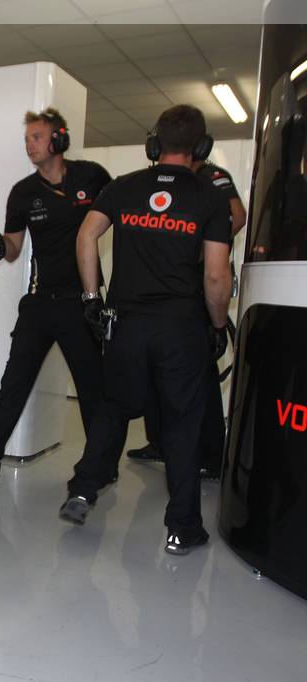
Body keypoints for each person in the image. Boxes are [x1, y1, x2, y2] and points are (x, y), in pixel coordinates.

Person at [59, 105, 232, 556]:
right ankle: (182, 529)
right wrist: (218, 325)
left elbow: (85, 236)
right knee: (181, 425)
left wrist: (91, 298)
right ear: (202, 148)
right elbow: (216, 277)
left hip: (126, 326)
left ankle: (83, 491)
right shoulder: (210, 196)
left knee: (113, 410)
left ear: (154, 144)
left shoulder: (124, 186)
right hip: (181, 330)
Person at [0, 108, 111, 484]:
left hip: (80, 303)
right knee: (15, 381)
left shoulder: (92, 176)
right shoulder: (23, 192)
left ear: (59, 139)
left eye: (36, 137)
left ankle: (100, 465)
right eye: (26, 139)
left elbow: (116, 219)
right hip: (39, 303)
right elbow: (11, 251)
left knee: (92, 387)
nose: (29, 145)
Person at [127, 156, 246, 478]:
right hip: (166, 290)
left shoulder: (212, 175)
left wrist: (202, 249)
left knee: (201, 372)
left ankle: (210, 455)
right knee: (155, 364)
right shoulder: (162, 180)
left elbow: (237, 216)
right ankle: (159, 442)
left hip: (197, 286)